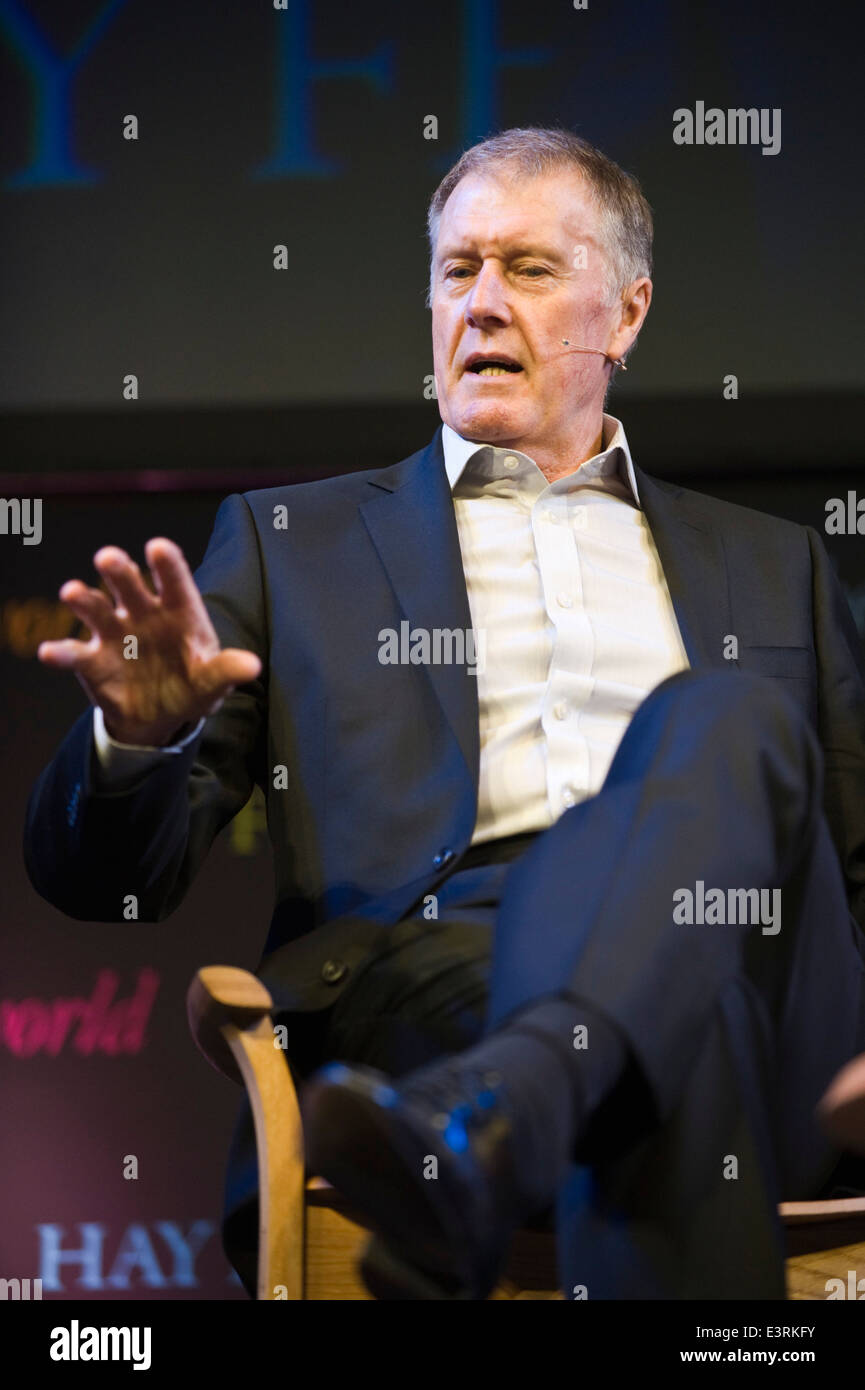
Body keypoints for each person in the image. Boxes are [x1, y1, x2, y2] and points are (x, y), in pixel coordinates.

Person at [25, 127, 865, 1301]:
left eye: (526, 269)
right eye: (455, 269)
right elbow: (113, 878)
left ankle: (488, 1124)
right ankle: (513, 1107)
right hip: (439, 987)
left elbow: (852, 869)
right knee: (687, 1028)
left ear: (624, 315)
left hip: (779, 1006)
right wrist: (142, 737)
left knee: (722, 715)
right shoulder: (293, 546)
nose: (479, 304)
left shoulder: (775, 567)